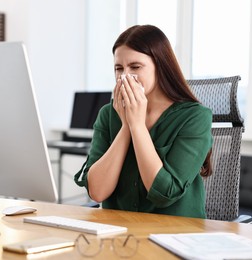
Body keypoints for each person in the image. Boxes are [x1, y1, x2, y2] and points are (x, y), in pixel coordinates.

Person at [74, 24, 213, 218]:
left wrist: (138, 126)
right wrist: (126, 126)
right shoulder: (108, 114)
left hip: (177, 236)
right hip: (119, 236)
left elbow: (165, 193)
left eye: (135, 67)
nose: (125, 76)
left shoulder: (195, 117)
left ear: (160, 65)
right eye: (118, 68)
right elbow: (97, 192)